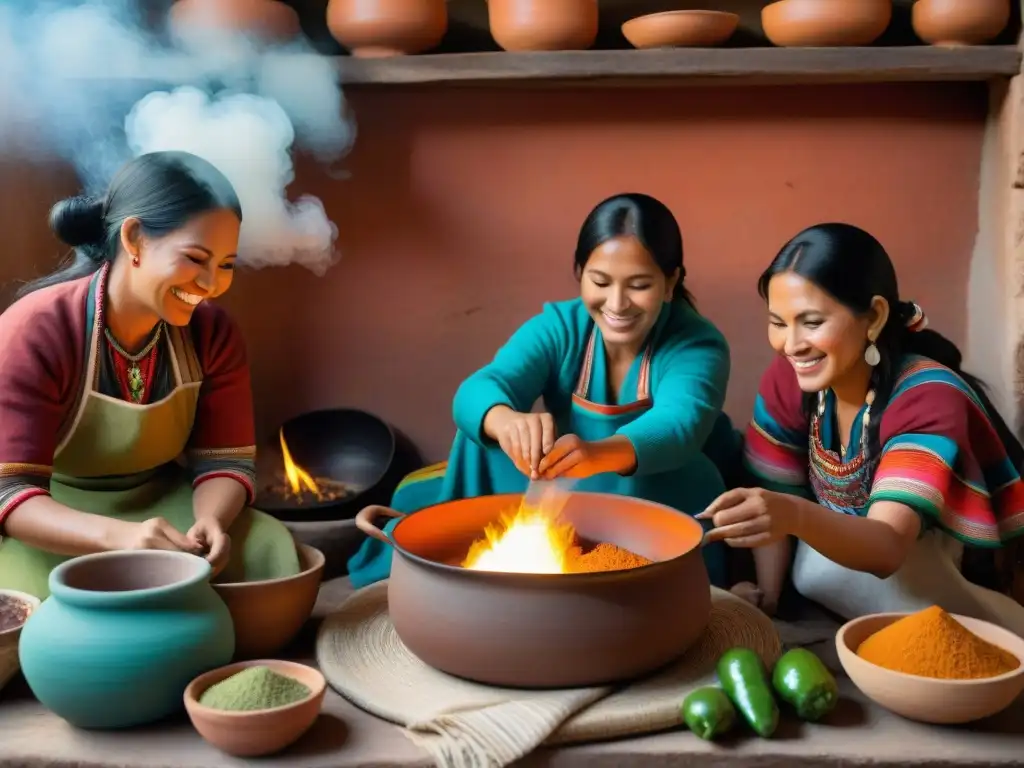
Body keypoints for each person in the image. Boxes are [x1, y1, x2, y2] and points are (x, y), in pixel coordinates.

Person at [349, 193, 736, 588]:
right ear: (580, 273)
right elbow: (481, 387)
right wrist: (505, 421)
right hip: (558, 479)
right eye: (600, 282)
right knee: (473, 442)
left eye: (639, 285)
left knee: (681, 477)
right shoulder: (560, 326)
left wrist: (596, 455)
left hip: (649, 486)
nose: (617, 304)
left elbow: (680, 426)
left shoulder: (696, 343)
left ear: (671, 282)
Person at [0, 151, 302, 599]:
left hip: (161, 505)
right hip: (55, 516)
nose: (210, 284)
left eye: (226, 265)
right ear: (135, 237)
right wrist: (119, 539)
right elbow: (10, 491)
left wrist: (211, 522)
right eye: (196, 258)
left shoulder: (213, 332)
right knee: (43, 606)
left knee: (268, 550)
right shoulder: (38, 328)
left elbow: (224, 460)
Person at [700, 222, 1024, 636]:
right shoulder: (788, 379)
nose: (791, 344)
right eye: (778, 323)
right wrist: (769, 600)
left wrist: (792, 514)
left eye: (811, 322)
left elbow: (887, 548)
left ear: (873, 317)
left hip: (943, 593)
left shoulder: (930, 397)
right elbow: (775, 493)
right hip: (840, 588)